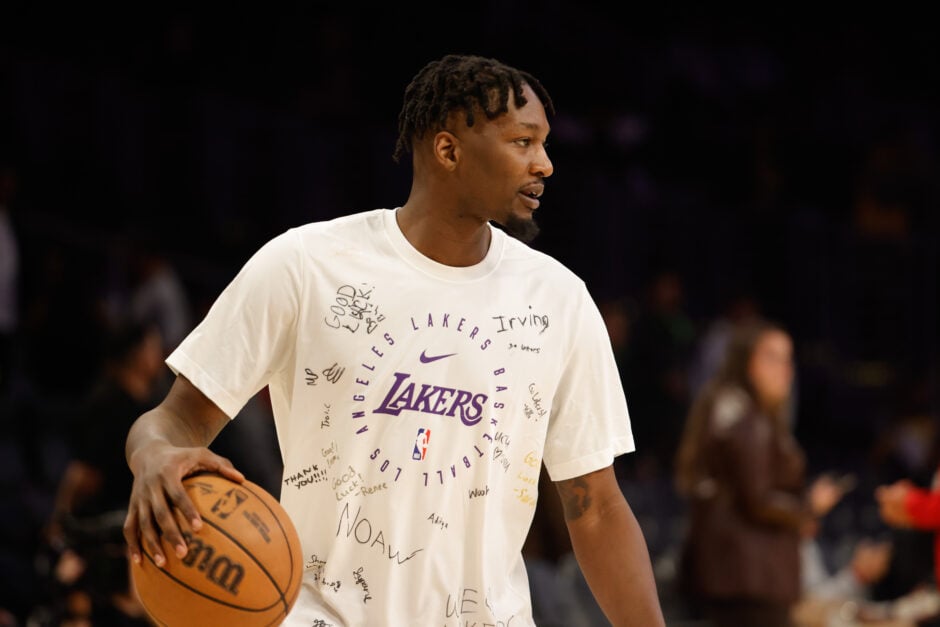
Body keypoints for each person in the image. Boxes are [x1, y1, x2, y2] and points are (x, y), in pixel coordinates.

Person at [122, 54, 665, 626]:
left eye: (545, 143)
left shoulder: (559, 300)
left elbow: (597, 508)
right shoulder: (306, 265)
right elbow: (170, 422)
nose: (546, 164)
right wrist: (153, 454)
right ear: (449, 150)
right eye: (523, 142)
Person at [674, 320, 846, 627]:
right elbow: (758, 499)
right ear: (746, 362)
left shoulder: (730, 408)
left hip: (736, 574)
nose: (785, 369)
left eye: (788, 359)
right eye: (772, 357)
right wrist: (808, 508)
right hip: (751, 577)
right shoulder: (747, 420)